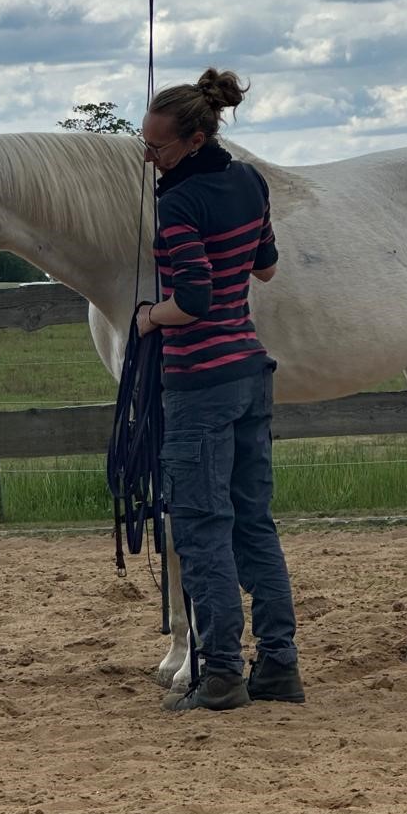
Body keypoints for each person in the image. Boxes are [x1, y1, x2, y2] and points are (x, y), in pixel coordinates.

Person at [136, 68, 304, 713]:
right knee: (253, 523)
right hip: (250, 374)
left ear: (197, 139)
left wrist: (151, 317)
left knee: (203, 528)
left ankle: (223, 672)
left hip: (200, 383)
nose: (149, 159)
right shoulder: (251, 181)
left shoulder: (177, 204)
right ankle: (279, 664)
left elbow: (194, 300)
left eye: (158, 148)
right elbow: (267, 266)